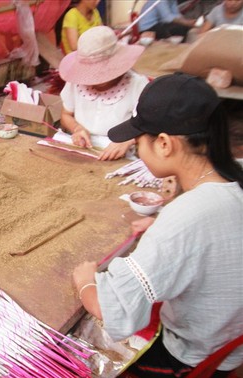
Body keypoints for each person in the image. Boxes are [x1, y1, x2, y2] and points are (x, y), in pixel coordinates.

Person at [73, 73, 243, 376]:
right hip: (230, 338)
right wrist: (167, 228)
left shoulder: (187, 216)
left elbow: (113, 312)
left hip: (196, 353)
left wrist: (86, 281)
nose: (137, 147)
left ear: (164, 143)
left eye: (139, 141)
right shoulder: (233, 176)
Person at [58, 26, 149, 161]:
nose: (96, 80)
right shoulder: (76, 82)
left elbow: (150, 126)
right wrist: (77, 129)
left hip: (120, 153)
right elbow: (66, 115)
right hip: (83, 149)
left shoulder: (137, 85)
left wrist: (128, 140)